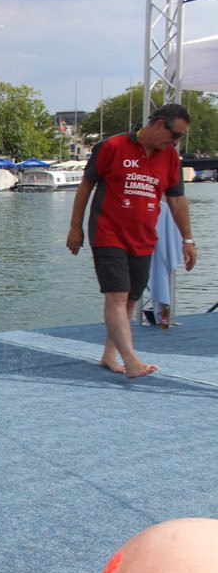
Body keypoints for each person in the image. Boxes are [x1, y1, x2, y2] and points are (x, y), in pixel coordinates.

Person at [66, 103, 198, 378]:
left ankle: (109, 355)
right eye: (174, 136)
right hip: (108, 231)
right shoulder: (112, 146)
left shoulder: (170, 158)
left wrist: (188, 239)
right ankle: (131, 361)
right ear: (159, 123)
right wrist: (75, 227)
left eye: (179, 139)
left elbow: (176, 199)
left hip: (144, 236)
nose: (175, 143)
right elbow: (86, 186)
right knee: (116, 294)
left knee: (130, 301)